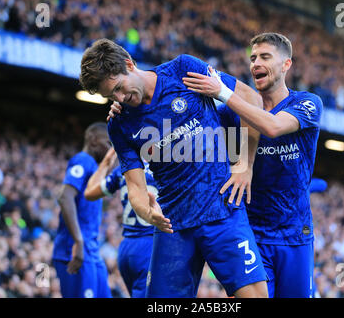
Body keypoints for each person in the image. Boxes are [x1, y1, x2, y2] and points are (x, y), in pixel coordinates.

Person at [80, 38, 268, 298]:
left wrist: (243, 166)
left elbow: (250, 100)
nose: (120, 98)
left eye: (119, 88)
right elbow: (135, 187)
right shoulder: (119, 124)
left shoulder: (183, 70)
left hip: (223, 211)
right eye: (111, 95)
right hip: (173, 225)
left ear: (129, 64)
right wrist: (147, 212)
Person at [182, 32, 323, 298]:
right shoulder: (231, 114)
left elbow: (272, 126)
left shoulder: (307, 103)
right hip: (251, 235)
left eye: (265, 57)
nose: (255, 63)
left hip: (295, 234)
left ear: (286, 65)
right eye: (253, 58)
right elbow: (185, 123)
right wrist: (132, 104)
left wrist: (223, 92)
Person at [84, 147, 158, 298]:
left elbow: (89, 192)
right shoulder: (167, 169)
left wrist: (107, 160)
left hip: (126, 249)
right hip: (150, 247)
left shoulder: (123, 169)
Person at [52, 122, 112, 298]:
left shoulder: (94, 167)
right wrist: (78, 241)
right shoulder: (83, 160)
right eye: (108, 143)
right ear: (93, 140)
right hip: (74, 250)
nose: (110, 149)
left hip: (92, 251)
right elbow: (64, 197)